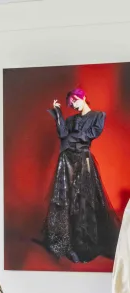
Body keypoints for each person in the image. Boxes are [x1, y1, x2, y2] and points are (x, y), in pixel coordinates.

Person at [39, 88, 119, 263]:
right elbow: (62, 134)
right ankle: (66, 242)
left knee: (84, 199)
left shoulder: (98, 116)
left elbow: (93, 133)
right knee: (65, 198)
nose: (73, 106)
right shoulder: (70, 119)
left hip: (83, 159)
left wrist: (72, 138)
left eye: (75, 101)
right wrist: (58, 112)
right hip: (66, 160)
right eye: (70, 104)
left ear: (83, 98)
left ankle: (83, 245)